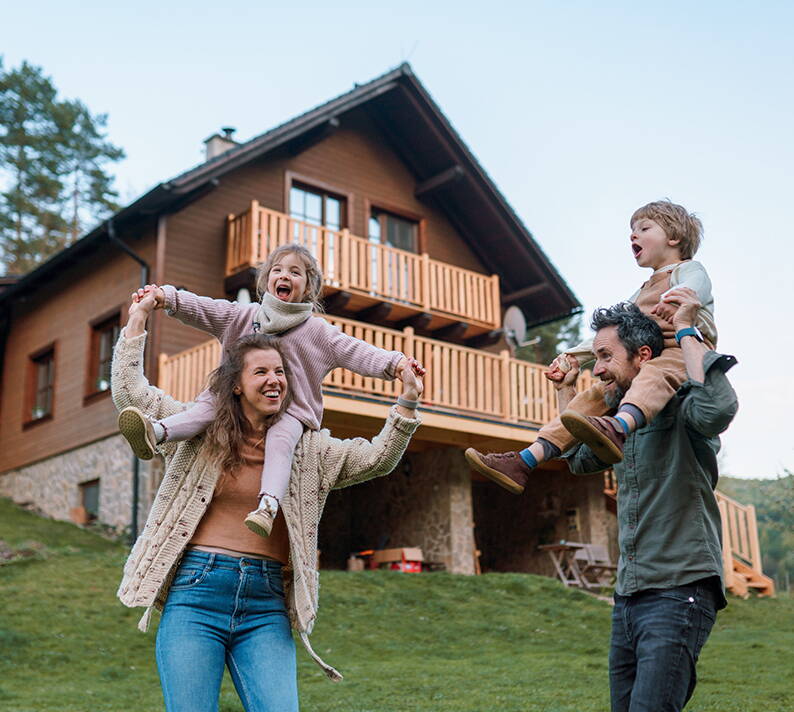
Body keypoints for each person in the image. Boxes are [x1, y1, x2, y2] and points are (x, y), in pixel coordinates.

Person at [112, 290, 423, 711]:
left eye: (280, 372)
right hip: (196, 593)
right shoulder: (196, 431)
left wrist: (406, 401)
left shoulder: (309, 450)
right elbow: (131, 392)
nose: (275, 379)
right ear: (237, 384)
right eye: (261, 372)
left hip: (265, 604)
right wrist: (138, 320)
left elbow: (377, 460)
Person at [116, 243, 424, 538]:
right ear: (266, 280)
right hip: (227, 398)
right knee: (202, 411)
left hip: (291, 412)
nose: (284, 276)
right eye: (277, 270)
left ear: (308, 286)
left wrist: (396, 364)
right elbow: (203, 308)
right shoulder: (243, 316)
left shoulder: (318, 332)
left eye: (295, 272)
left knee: (280, 443)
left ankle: (267, 506)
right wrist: (165, 297)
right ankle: (155, 433)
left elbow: (357, 351)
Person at [557, 293, 737, 711]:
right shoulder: (618, 421)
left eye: (605, 355)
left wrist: (688, 328)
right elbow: (579, 459)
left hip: (681, 586)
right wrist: (566, 392)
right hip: (629, 594)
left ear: (642, 355)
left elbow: (719, 406)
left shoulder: (683, 408)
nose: (596, 368)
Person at [465, 199, 717, 493]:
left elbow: (697, 289)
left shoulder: (687, 270)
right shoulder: (642, 290)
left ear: (674, 238)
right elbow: (614, 334)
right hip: (646, 356)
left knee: (653, 376)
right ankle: (523, 461)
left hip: (682, 350)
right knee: (594, 396)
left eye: (643, 228)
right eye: (631, 231)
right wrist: (573, 355)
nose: (633, 236)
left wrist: (675, 300)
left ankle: (618, 427)